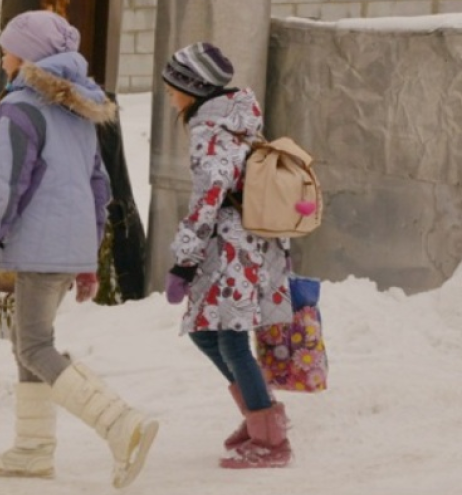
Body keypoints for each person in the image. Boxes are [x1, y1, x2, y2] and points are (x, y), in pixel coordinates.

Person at [0, 10, 159, 489]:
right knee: (28, 341)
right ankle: (32, 449)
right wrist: (87, 258)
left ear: (29, 56)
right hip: (66, 244)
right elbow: (97, 185)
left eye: (8, 49)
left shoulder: (19, 110)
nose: (3, 58)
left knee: (35, 345)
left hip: (41, 245)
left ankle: (121, 425)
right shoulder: (77, 111)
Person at [161, 42, 294, 469]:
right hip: (240, 245)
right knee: (206, 332)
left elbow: (207, 199)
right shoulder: (234, 121)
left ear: (194, 88)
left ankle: (271, 442)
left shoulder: (212, 132)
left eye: (173, 86)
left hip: (232, 247)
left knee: (230, 337)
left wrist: (183, 260)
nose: (168, 94)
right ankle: (261, 412)